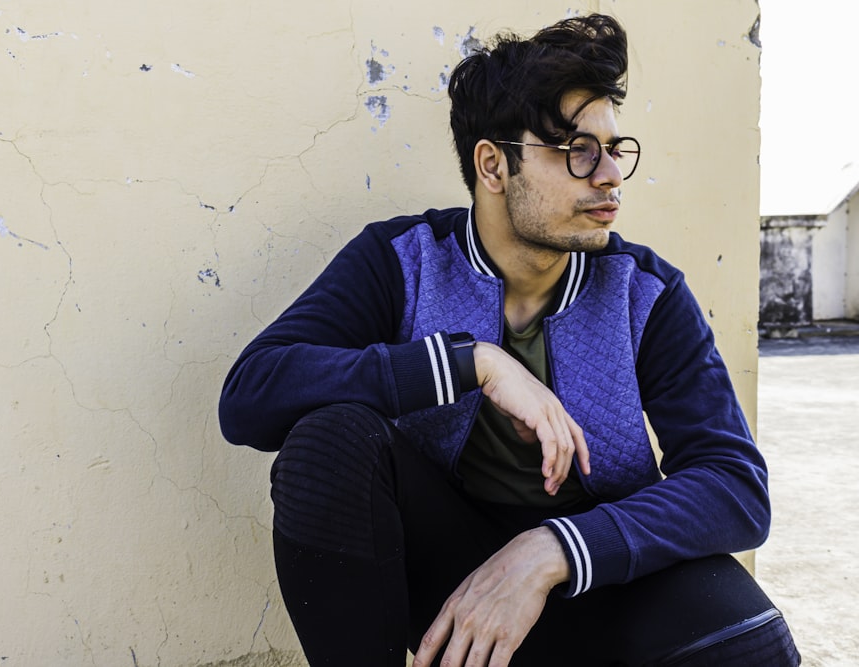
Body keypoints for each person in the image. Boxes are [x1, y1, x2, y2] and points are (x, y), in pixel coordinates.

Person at [219, 13, 800, 666]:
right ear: (493, 165)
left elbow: (734, 486)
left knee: (750, 641)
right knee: (328, 441)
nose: (609, 174)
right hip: (451, 587)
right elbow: (253, 393)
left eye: (616, 149)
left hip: (594, 573)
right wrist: (471, 363)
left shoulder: (644, 291)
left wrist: (556, 547)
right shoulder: (403, 261)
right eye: (579, 149)